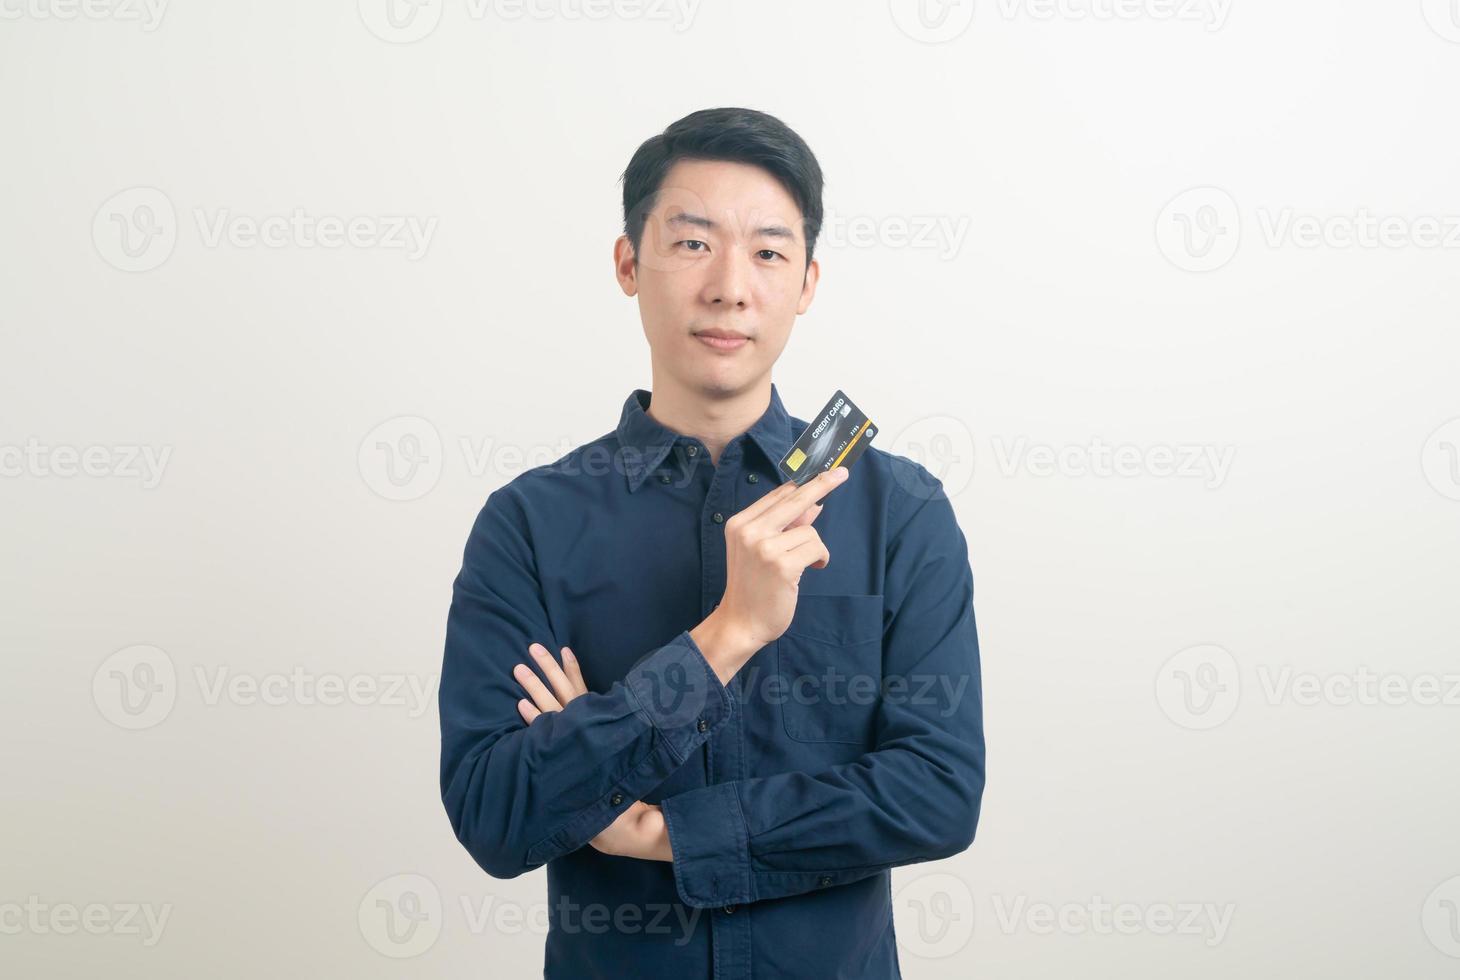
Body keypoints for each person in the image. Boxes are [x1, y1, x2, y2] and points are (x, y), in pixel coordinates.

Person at [439, 106, 985, 979]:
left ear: (806, 282)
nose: (731, 286)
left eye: (768, 251)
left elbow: (937, 796)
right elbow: (497, 816)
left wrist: (656, 826)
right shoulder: (531, 524)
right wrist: (728, 634)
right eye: (693, 243)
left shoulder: (900, 509)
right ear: (628, 263)